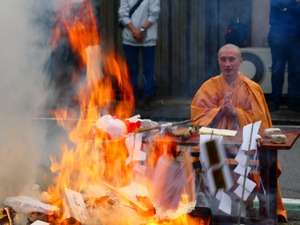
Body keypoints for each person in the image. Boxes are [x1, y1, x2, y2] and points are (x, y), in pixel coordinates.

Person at [191, 44, 287, 222]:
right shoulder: (209, 86)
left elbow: (260, 125)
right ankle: (220, 211)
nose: (227, 64)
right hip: (215, 146)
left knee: (248, 163)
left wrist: (236, 113)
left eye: (232, 59)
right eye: (223, 60)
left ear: (240, 62)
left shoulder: (252, 88)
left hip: (245, 147)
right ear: (218, 61)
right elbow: (198, 119)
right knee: (209, 156)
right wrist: (219, 111)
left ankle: (241, 208)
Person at [118, 0, 161, 110]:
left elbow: (154, 14)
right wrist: (135, 31)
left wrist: (141, 30)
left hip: (148, 38)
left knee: (148, 70)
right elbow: (123, 14)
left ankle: (147, 98)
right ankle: (133, 99)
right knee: (132, 70)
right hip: (129, 38)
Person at [268, 0, 300, 112]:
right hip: (278, 36)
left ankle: (294, 102)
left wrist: (288, 6)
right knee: (277, 69)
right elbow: (276, 4)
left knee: (296, 71)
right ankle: (274, 101)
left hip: (296, 38)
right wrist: (294, 2)